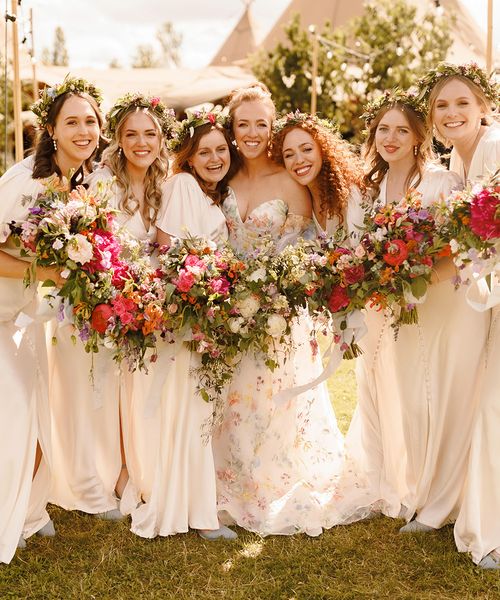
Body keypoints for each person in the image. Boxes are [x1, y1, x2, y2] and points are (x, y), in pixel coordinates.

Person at [212, 84, 344, 536]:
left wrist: (277, 293)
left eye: (260, 124)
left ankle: (273, 479)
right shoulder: (221, 178)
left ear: (271, 128)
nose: (251, 132)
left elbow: (306, 249)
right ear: (232, 128)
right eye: (242, 123)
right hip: (228, 308)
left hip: (277, 313)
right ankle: (226, 479)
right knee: (231, 402)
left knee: (270, 398)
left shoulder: (289, 180)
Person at [363, 89, 488, 533]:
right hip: (399, 310)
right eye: (384, 129)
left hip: (446, 304)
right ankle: (420, 490)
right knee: (413, 401)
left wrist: (413, 275)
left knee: (446, 399)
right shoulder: (371, 189)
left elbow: (465, 244)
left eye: (402, 130)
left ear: (419, 137)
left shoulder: (441, 183)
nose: (391, 138)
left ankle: (439, 506)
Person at [0, 75, 102, 563]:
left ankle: (30, 510)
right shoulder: (25, 181)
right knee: (16, 413)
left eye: (90, 121)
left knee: (37, 416)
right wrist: (50, 270)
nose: (84, 131)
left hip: (22, 316)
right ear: (51, 129)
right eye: (72, 122)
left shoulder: (77, 183)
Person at [128, 108, 238, 540]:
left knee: (197, 411)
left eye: (221, 149)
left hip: (202, 317)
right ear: (188, 157)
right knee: (188, 410)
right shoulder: (183, 185)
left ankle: (198, 502)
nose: (214, 157)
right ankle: (192, 513)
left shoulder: (207, 193)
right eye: (204, 151)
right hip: (183, 317)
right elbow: (168, 251)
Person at [420, 62, 500, 568]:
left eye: (462, 103)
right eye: (442, 106)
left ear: (485, 108)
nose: (452, 113)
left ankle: (490, 529)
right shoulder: (456, 167)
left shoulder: (493, 149)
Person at [85, 93, 172, 516]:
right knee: (116, 385)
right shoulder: (103, 181)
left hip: (156, 301)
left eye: (150, 134)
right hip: (113, 295)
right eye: (131, 134)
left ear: (161, 138)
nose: (142, 143)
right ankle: (119, 470)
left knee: (145, 387)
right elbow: (97, 243)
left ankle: (149, 464)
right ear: (118, 139)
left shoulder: (169, 181)